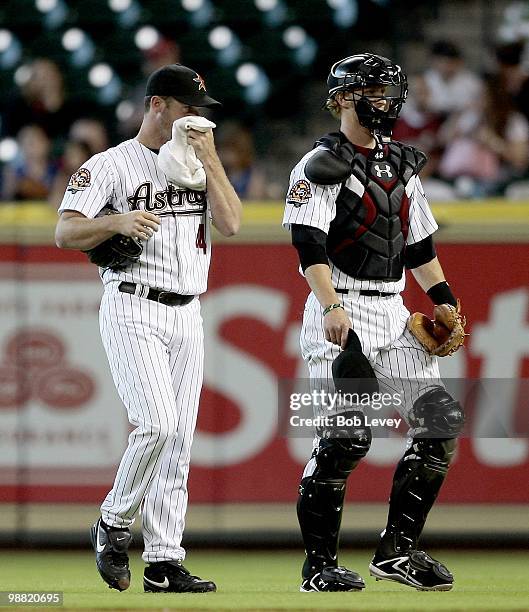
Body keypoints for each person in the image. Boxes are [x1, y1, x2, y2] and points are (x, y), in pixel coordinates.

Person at [55, 63, 242, 593]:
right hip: (135, 304)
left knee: (179, 440)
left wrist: (212, 161)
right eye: (188, 108)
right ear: (158, 104)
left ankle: (163, 560)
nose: (197, 119)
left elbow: (230, 224)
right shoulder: (112, 165)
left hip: (188, 311)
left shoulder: (198, 165)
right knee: (157, 423)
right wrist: (115, 222)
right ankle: (113, 522)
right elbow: (65, 230)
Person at [283, 53, 465, 592]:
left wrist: (444, 298)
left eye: (390, 93)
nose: (385, 102)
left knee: (440, 424)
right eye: (373, 92)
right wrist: (332, 306)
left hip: (394, 309)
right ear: (342, 98)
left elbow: (418, 243)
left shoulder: (401, 163)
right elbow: (307, 243)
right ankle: (318, 567)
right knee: (347, 437)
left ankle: (397, 552)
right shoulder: (322, 161)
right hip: (339, 307)